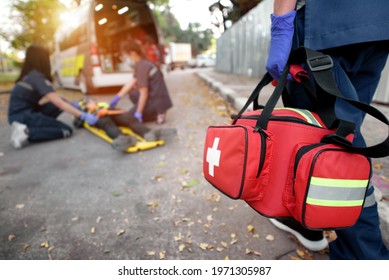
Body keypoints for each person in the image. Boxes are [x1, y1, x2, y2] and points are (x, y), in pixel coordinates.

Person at [265, 0, 389, 259]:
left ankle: (365, 258)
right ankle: (310, 219)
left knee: (339, 146)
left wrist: (281, 27)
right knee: (344, 135)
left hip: (322, 26)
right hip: (377, 26)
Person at [8, 45, 98, 149]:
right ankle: (26, 131)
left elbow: (56, 97)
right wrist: (82, 115)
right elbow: (58, 103)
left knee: (62, 101)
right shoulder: (37, 77)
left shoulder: (30, 76)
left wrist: (72, 104)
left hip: (22, 113)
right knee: (65, 130)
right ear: (42, 60)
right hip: (23, 116)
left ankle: (32, 126)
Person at [72, 98, 177, 152]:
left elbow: (114, 110)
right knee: (107, 124)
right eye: (87, 103)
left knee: (128, 119)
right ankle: (123, 139)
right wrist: (82, 115)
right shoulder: (86, 113)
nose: (90, 103)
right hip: (99, 118)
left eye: (90, 101)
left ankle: (149, 133)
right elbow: (77, 123)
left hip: (110, 112)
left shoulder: (103, 105)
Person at [109, 40, 173, 125]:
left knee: (129, 118)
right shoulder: (141, 63)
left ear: (132, 53)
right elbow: (131, 83)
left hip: (157, 101)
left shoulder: (142, 66)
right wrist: (117, 97)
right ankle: (148, 110)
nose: (126, 59)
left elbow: (144, 93)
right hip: (154, 97)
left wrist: (138, 113)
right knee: (132, 93)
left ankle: (157, 112)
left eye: (126, 56)